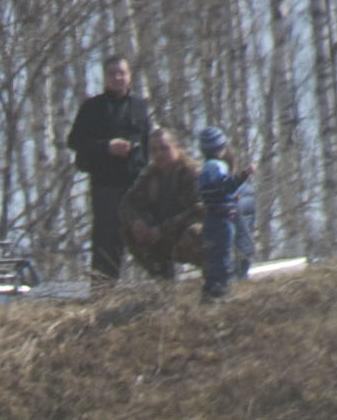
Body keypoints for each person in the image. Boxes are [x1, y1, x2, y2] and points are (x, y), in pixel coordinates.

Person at [65, 56, 152, 284]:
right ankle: (103, 292)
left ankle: (159, 288)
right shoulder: (92, 107)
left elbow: (150, 143)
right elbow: (74, 141)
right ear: (104, 77)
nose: (117, 77)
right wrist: (107, 147)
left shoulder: (140, 107)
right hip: (106, 185)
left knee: (146, 235)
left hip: (136, 183)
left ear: (129, 76)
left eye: (121, 72)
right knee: (106, 241)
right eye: (112, 73)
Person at [122, 128, 204, 279]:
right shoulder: (150, 175)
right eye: (154, 150)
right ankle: (162, 277)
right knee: (129, 230)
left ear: (176, 147)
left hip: (187, 233)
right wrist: (137, 221)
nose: (159, 154)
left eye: (164, 149)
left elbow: (200, 208)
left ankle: (215, 277)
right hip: (162, 236)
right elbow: (128, 203)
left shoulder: (192, 172)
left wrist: (163, 229)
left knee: (198, 233)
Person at [194, 125, 256, 301]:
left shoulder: (206, 167)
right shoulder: (217, 166)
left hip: (211, 216)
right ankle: (218, 292)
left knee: (213, 254)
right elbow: (226, 185)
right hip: (221, 219)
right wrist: (245, 173)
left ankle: (209, 289)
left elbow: (213, 192)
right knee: (222, 254)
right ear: (220, 148)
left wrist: (230, 197)